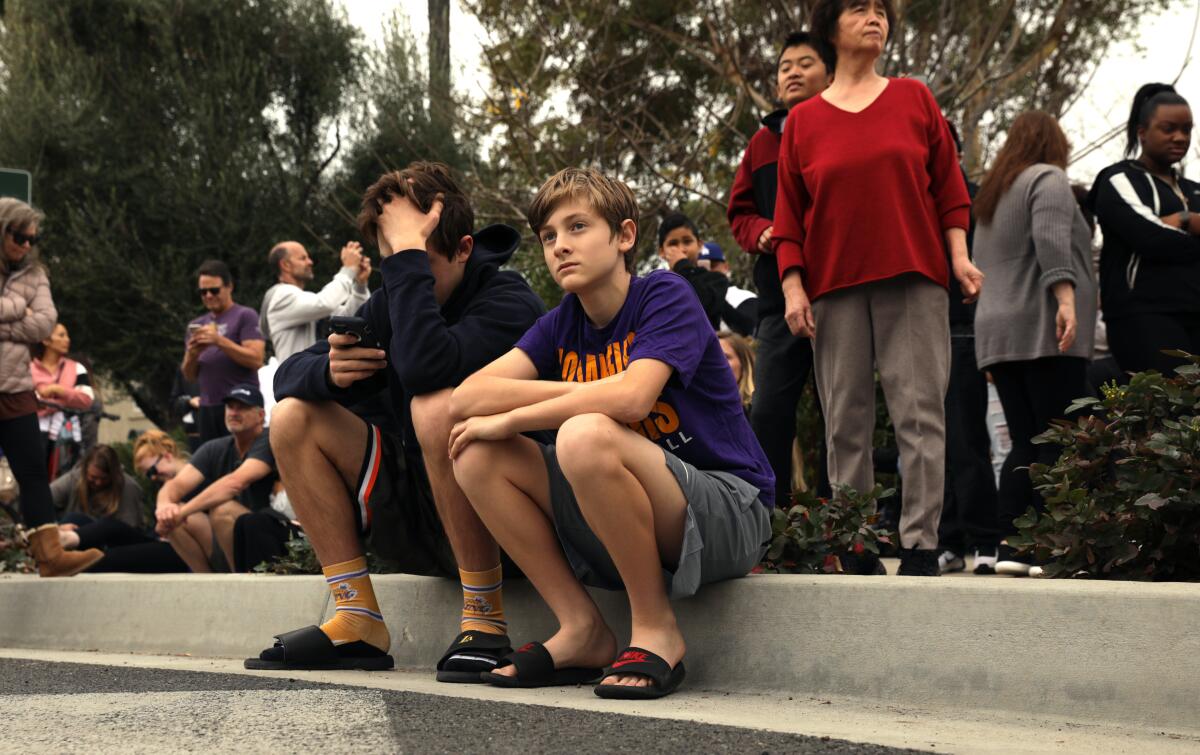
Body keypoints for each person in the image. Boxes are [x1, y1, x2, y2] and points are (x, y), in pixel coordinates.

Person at [450, 168, 774, 700]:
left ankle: (655, 629)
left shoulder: (665, 295)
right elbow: (467, 397)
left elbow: (632, 398)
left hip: (728, 511)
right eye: (549, 236)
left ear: (624, 236)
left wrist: (515, 416)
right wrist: (556, 401)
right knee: (476, 454)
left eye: (577, 227)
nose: (560, 246)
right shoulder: (561, 323)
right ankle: (582, 629)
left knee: (583, 433)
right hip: (628, 506)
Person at [245, 161, 546, 677]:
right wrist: (332, 371)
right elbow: (287, 376)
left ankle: (485, 621)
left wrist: (405, 260)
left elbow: (428, 367)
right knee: (293, 417)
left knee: (435, 407)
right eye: (392, 264)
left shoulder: (509, 301)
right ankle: (357, 619)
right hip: (425, 522)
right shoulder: (392, 302)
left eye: (416, 261)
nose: (403, 279)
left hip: (515, 532)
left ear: (464, 248)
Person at [773, 0, 982, 576]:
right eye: (860, 8)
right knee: (845, 421)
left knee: (920, 414)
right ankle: (855, 542)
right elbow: (788, 218)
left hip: (915, 277)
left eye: (882, 10)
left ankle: (919, 544)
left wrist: (959, 258)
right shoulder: (805, 122)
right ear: (831, 27)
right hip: (833, 287)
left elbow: (950, 188)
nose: (876, 18)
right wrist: (794, 288)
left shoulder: (914, 97)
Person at [973, 112, 1097, 576]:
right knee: (1056, 439)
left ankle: (1012, 545)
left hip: (997, 331)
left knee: (1026, 439)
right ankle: (1051, 547)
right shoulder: (1047, 178)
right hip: (1042, 326)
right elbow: (1049, 239)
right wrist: (1066, 298)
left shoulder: (991, 197)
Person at [727, 31, 832, 506]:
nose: (792, 71)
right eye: (785, 65)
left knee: (841, 415)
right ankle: (772, 523)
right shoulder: (761, 143)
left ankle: (845, 527)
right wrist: (762, 232)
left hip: (840, 294)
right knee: (769, 410)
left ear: (829, 73)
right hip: (776, 302)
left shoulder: (844, 129)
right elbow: (739, 211)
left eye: (805, 63)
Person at [0, 197, 102, 576]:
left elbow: (44, 324)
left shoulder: (35, 273)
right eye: (19, 237)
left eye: (32, 238)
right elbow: (30, 320)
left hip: (15, 387)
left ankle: (51, 556)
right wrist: (17, 310)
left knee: (32, 472)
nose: (27, 245)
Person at [1088, 83, 1200, 375]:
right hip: (1144, 316)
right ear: (1142, 132)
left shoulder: (1194, 189)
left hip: (1194, 312)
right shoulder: (1118, 179)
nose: (1180, 137)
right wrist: (1191, 223)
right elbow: (1151, 238)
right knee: (1167, 414)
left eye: (1187, 129)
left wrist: (1182, 218)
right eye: (1168, 128)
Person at [937, 123, 1001, 575]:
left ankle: (983, 538)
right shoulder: (907, 200)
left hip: (965, 329)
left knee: (966, 440)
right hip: (912, 331)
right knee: (925, 446)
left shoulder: (977, 199)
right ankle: (945, 540)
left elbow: (992, 271)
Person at [153, 384, 282, 572]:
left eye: (243, 407)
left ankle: (239, 584)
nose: (234, 412)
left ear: (261, 416)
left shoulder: (268, 439)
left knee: (222, 510)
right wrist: (164, 509)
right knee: (173, 518)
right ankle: (208, 585)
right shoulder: (215, 447)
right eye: (230, 407)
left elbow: (235, 483)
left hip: (268, 534)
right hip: (227, 536)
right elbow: (175, 485)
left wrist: (182, 513)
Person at [182, 260, 265, 444]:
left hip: (240, 406)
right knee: (212, 466)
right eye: (203, 292)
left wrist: (219, 341)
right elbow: (189, 376)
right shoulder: (197, 325)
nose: (209, 296)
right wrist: (192, 353)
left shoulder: (245, 315)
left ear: (229, 287)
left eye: (214, 290)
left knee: (242, 463)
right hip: (208, 408)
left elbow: (256, 359)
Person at [260, 240, 371, 362]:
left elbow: (349, 317)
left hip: (312, 376)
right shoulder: (280, 297)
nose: (310, 262)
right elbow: (325, 303)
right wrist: (348, 270)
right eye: (303, 258)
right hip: (296, 379)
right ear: (285, 265)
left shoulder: (305, 299)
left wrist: (360, 285)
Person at [51, 444, 146, 552]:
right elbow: (42, 502)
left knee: (77, 520)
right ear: (85, 470)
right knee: (73, 519)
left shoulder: (128, 487)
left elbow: (128, 532)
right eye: (93, 477)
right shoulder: (74, 479)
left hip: (112, 546)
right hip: (76, 538)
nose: (98, 482)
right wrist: (57, 527)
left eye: (104, 478)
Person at [30, 322, 94, 478]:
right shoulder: (28, 368)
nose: (67, 339)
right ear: (45, 340)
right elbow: (22, 402)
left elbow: (86, 399)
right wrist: (66, 400)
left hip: (68, 437)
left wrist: (57, 391)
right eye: (61, 335)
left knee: (67, 477)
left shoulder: (76, 368)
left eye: (67, 335)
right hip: (34, 436)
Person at [656, 213, 729, 330]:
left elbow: (703, 303)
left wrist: (682, 266)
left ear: (699, 245)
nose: (682, 249)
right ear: (662, 252)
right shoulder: (657, 286)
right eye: (673, 244)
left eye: (687, 241)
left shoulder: (716, 279)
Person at [700, 242, 757, 336]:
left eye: (713, 266)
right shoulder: (692, 302)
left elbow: (752, 333)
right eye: (702, 268)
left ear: (726, 267)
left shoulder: (743, 297)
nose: (708, 271)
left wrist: (715, 299)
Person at [718, 330, 755, 415]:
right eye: (711, 358)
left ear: (744, 363)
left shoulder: (761, 408)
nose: (717, 364)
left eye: (725, 357)